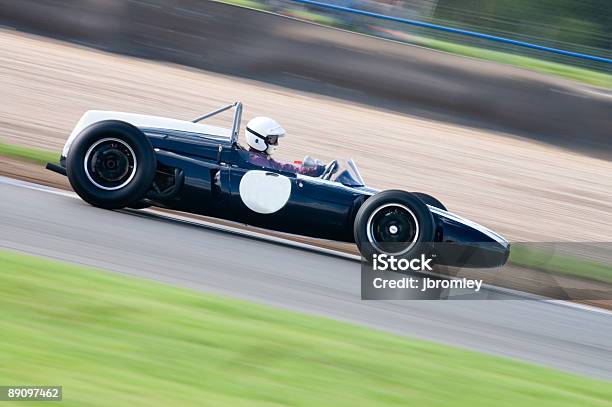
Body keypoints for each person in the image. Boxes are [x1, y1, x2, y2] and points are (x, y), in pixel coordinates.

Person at [244, 116, 325, 176]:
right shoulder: (259, 162)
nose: (276, 144)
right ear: (258, 140)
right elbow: (282, 173)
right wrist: (310, 171)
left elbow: (282, 168)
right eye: (273, 140)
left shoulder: (259, 158)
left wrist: (308, 170)